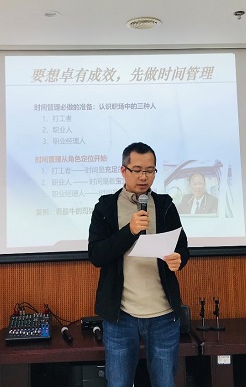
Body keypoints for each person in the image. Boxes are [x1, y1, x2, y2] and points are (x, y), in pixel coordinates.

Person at [88, 142, 190, 387]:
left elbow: (182, 247)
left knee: (165, 382)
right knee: (119, 383)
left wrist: (179, 259)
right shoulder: (105, 208)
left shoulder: (165, 206)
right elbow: (96, 255)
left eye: (150, 170)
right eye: (137, 170)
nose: (144, 177)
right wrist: (130, 231)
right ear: (123, 171)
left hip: (163, 314)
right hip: (121, 316)